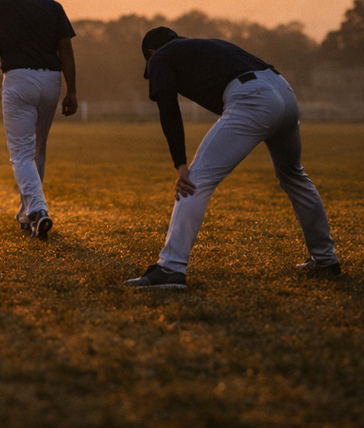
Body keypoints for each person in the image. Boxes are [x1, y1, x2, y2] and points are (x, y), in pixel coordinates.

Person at [124, 27, 341, 290]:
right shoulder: (205, 44)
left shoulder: (160, 56)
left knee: (196, 180)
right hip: (283, 90)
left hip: (252, 98)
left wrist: (180, 163)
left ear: (150, 52)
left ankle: (170, 268)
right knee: (294, 175)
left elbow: (168, 108)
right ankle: (326, 259)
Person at [0, 0, 78, 239]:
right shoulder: (52, 6)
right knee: (37, 150)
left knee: (20, 153)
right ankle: (25, 214)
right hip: (51, 79)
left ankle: (38, 210)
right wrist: (72, 90)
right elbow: (66, 50)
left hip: (19, 79)